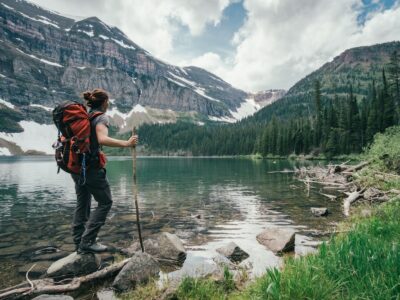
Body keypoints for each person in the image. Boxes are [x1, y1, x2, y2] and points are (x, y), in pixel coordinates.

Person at [71, 88, 138, 253]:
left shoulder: (85, 116)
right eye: (108, 101)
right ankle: (87, 242)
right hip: (92, 169)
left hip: (77, 167)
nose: (109, 104)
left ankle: (79, 242)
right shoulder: (101, 117)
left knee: (83, 203)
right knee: (105, 202)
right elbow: (102, 139)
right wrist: (127, 144)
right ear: (104, 102)